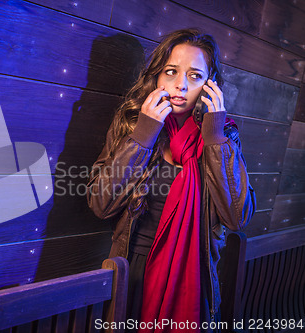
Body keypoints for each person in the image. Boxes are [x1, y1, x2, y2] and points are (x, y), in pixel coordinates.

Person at [87, 28, 256, 332]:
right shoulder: (131, 123)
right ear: (157, 76)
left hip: (192, 276)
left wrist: (215, 138)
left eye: (194, 76)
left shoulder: (223, 135)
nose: (180, 85)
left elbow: (236, 217)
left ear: (209, 85)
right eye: (171, 71)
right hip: (132, 271)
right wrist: (143, 135)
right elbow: (101, 203)